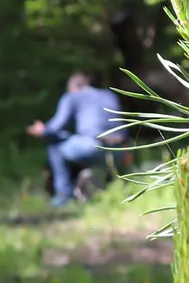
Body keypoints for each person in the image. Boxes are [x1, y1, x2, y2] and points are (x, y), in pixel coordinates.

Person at [26, 72, 126, 206]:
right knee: (78, 144)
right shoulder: (108, 95)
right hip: (120, 149)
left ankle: (63, 196)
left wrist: (43, 130)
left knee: (55, 146)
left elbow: (57, 126)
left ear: (73, 87)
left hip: (92, 145)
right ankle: (112, 191)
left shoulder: (73, 96)